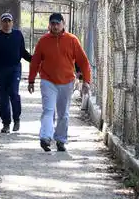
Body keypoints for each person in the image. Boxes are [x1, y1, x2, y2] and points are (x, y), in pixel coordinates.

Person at [27, 11, 91, 152]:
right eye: (53, 24)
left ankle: (61, 139)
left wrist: (86, 80)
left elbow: (83, 61)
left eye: (58, 23)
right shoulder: (43, 41)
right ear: (49, 25)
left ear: (63, 24)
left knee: (63, 114)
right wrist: (31, 80)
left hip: (67, 82)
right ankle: (45, 137)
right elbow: (35, 61)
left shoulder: (72, 40)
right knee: (48, 110)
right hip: (48, 80)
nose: (55, 26)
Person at [0, 12, 32, 134]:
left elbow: (22, 52)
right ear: (1, 22)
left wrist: (34, 60)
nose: (7, 24)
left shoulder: (18, 35)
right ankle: (6, 123)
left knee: (13, 92)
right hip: (1, 70)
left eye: (9, 21)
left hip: (15, 69)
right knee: (2, 98)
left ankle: (16, 119)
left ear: (12, 23)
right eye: (4, 21)